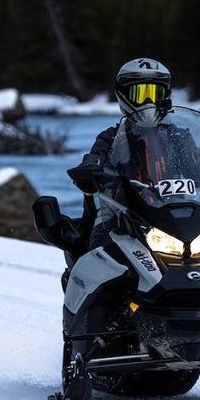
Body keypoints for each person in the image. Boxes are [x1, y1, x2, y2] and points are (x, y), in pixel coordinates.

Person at [70, 57, 173, 258]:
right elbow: (94, 159)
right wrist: (91, 172)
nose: (149, 102)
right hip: (120, 215)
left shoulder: (177, 136)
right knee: (100, 252)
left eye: (155, 93)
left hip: (174, 213)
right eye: (140, 94)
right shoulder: (110, 138)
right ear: (123, 95)